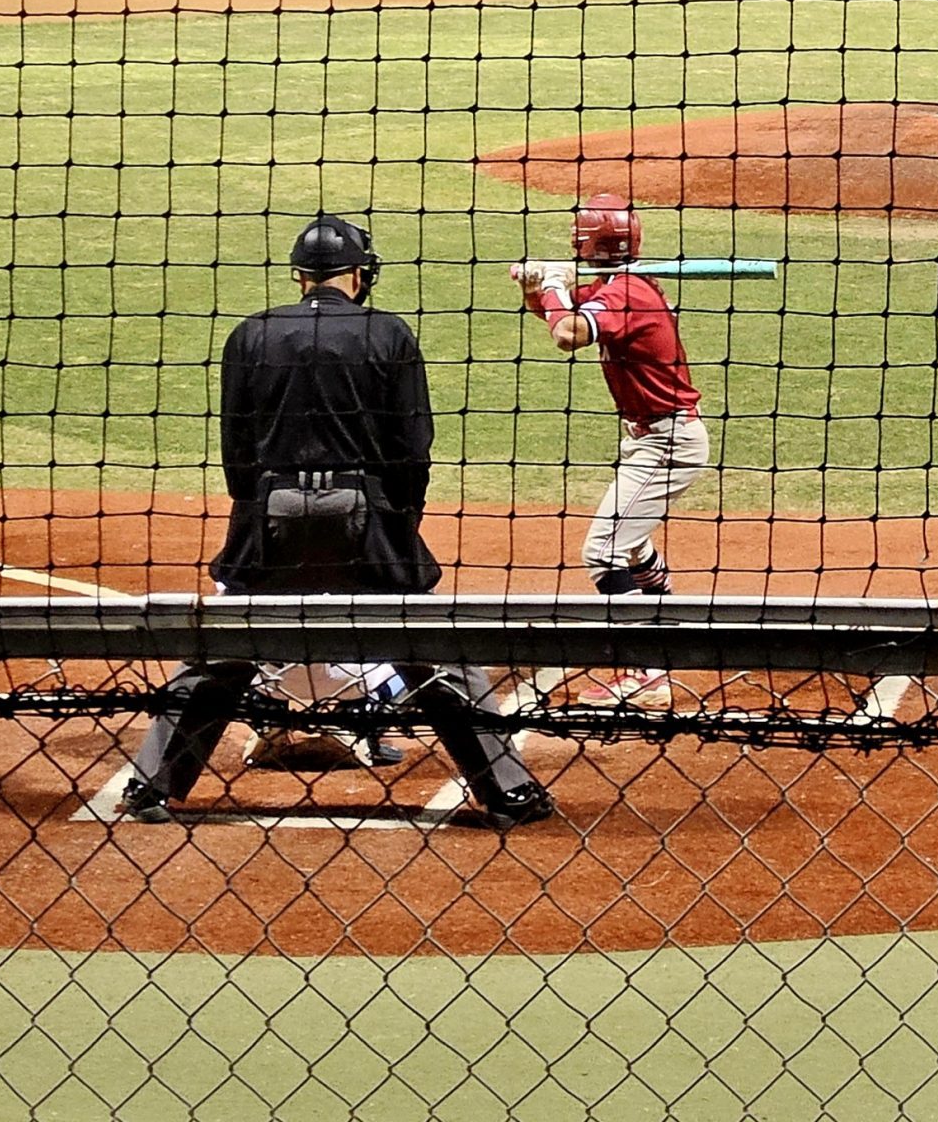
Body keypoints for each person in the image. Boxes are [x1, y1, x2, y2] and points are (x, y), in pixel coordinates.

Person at [119, 215, 553, 828]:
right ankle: (507, 791)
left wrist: (256, 517)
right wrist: (397, 527)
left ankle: (150, 788)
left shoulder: (251, 335)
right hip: (367, 515)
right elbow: (412, 447)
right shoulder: (388, 335)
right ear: (358, 272)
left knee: (220, 648)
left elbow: (237, 450)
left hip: (269, 516)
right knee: (432, 646)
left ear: (299, 275)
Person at [512, 194, 709, 709]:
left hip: (668, 443)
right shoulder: (618, 288)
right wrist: (539, 292)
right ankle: (668, 632)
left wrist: (553, 289)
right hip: (653, 437)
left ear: (593, 241)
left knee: (602, 551)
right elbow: (560, 313)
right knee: (633, 542)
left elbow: (568, 333)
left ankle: (646, 672)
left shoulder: (629, 295)